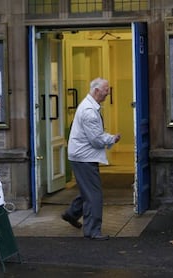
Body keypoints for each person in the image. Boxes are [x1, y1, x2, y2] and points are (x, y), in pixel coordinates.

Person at [61, 77, 121, 241]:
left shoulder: (90, 106)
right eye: (106, 90)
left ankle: (72, 213)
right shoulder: (89, 111)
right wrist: (111, 139)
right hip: (84, 157)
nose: (108, 93)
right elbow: (95, 139)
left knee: (87, 190)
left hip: (80, 155)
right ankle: (93, 230)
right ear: (96, 91)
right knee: (94, 194)